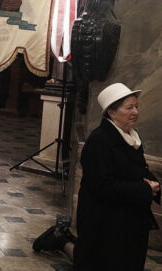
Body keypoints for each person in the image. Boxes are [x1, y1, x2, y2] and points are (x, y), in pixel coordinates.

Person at [33, 83, 160, 271]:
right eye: (129, 107)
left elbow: (139, 169)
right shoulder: (99, 141)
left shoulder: (131, 135)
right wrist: (145, 190)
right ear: (112, 112)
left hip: (130, 217)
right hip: (104, 219)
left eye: (136, 106)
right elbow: (103, 186)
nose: (135, 111)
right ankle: (61, 240)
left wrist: (155, 187)